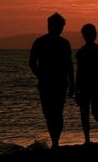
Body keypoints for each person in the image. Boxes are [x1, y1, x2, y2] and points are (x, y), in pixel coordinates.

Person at [29, 13, 74, 148]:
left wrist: (72, 83)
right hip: (51, 82)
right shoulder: (42, 42)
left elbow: (68, 65)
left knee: (53, 113)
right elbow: (32, 63)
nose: (61, 29)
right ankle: (55, 141)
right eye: (60, 26)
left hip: (57, 83)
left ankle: (55, 141)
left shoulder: (62, 43)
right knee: (51, 113)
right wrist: (41, 77)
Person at [75, 23, 98, 144]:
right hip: (91, 86)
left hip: (90, 86)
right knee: (93, 112)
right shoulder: (94, 51)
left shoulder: (86, 52)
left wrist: (76, 89)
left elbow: (80, 73)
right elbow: (80, 72)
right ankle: (92, 135)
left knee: (89, 113)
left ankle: (89, 138)